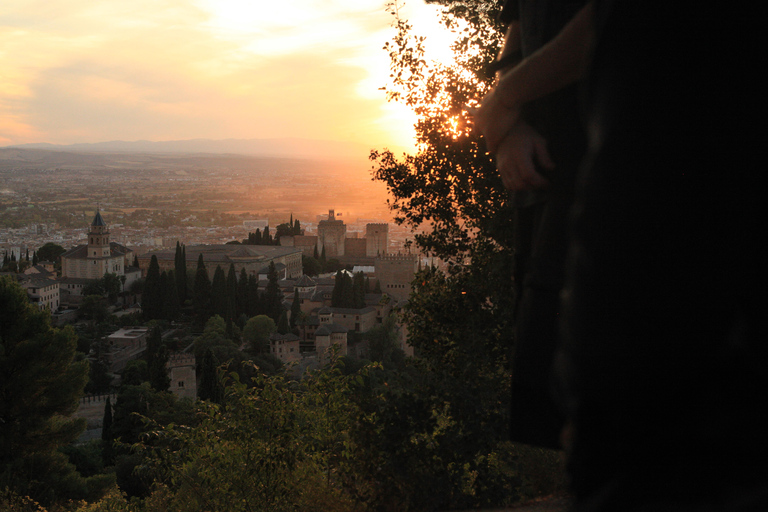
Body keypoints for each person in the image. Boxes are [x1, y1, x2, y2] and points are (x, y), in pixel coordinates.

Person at [474, 0, 593, 449]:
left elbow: (613, 24)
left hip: (622, 167)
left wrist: (503, 101)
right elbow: (520, 26)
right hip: (542, 178)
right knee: (557, 399)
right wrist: (506, 130)